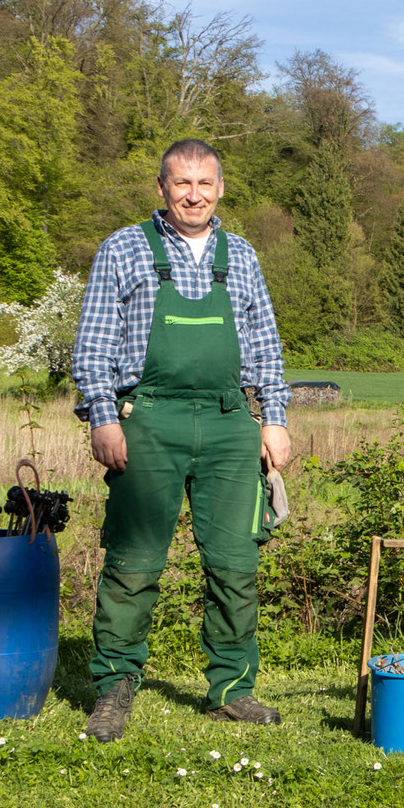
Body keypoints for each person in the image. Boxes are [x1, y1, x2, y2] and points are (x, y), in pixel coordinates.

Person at [73, 139, 291, 742]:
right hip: (148, 420)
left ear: (220, 189)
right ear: (162, 188)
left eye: (204, 184)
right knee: (133, 561)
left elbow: (267, 348)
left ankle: (231, 690)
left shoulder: (241, 256)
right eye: (180, 183)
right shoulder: (123, 248)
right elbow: (92, 345)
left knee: (234, 564)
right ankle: (114, 686)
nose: (192, 195)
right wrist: (102, 418)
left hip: (227, 424)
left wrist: (274, 418)